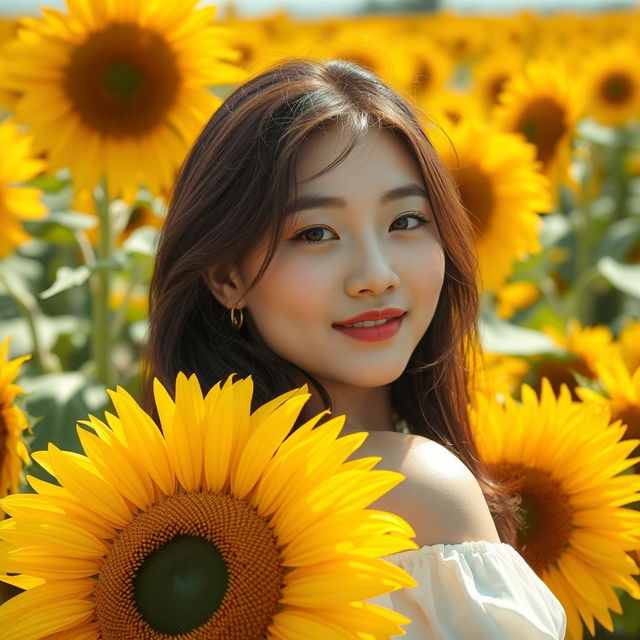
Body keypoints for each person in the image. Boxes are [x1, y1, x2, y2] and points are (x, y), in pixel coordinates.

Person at [145, 58, 567, 639]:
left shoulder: (147, 527)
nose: (375, 275)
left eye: (406, 220)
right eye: (315, 233)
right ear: (225, 276)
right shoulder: (419, 491)